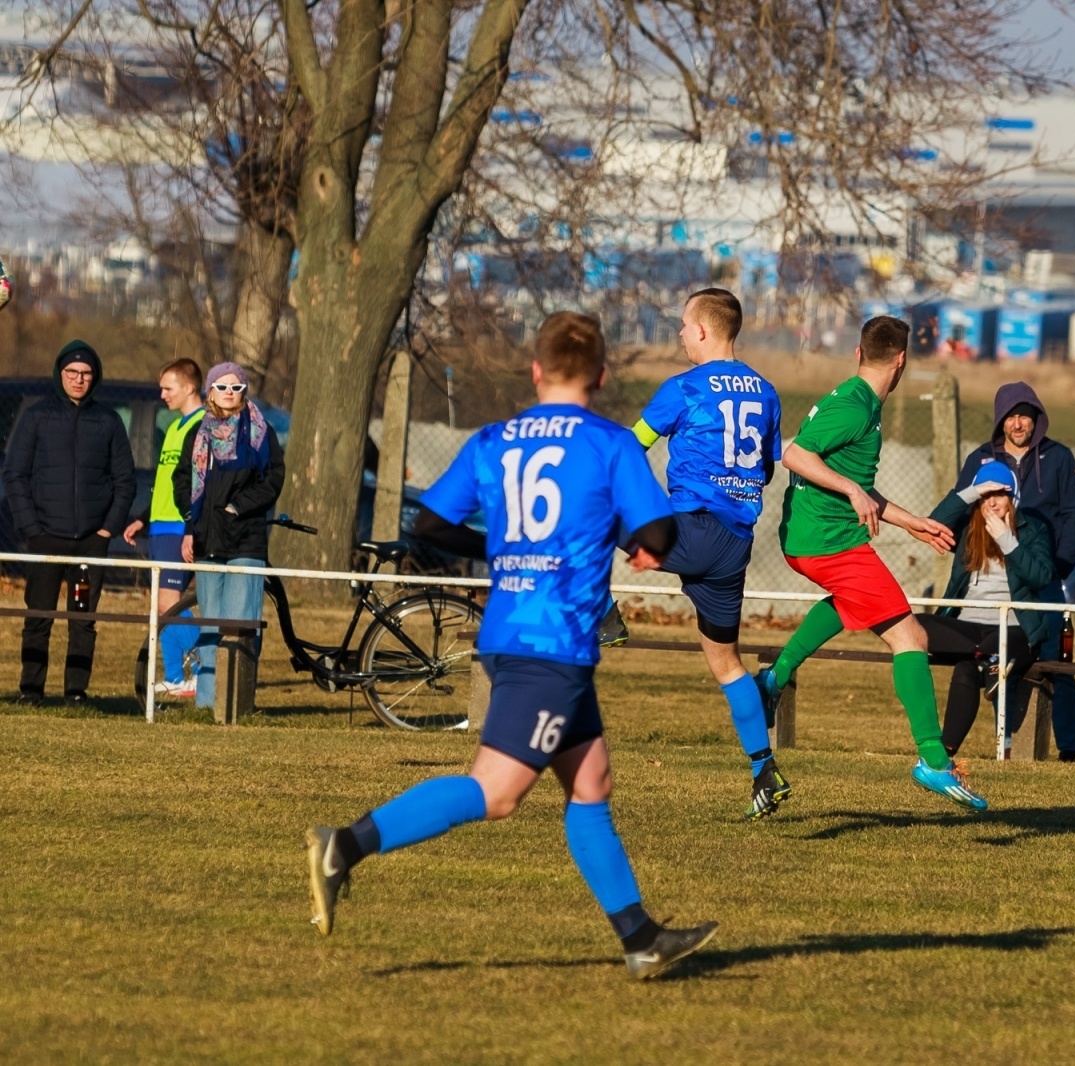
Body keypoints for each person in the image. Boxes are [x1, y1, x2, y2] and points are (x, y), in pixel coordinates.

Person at [303, 312, 718, 979]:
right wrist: (632, 541)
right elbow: (661, 537)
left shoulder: (495, 439)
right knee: (497, 793)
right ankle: (344, 846)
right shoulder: (611, 444)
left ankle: (640, 937)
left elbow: (431, 524)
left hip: (515, 633)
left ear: (536, 371)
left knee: (592, 782)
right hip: (549, 644)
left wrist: (501, 548)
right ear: (602, 376)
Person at [753, 316, 985, 811]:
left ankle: (774, 678)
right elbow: (795, 455)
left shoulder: (859, 403)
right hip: (828, 541)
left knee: (850, 604)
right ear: (902, 361)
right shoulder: (857, 408)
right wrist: (853, 491)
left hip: (818, 539)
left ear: (859, 353)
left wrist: (909, 521)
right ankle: (932, 760)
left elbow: (847, 473)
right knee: (911, 637)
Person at [630, 288, 787, 818]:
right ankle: (763, 770)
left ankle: (601, 612)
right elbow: (766, 468)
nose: (678, 334)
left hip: (695, 529)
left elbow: (631, 449)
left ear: (701, 330)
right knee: (726, 663)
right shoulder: (766, 392)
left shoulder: (684, 388)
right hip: (735, 545)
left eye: (681, 325)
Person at [930, 382, 1075, 760]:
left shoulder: (1059, 457)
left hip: (1041, 577)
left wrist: (1056, 568)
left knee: (1055, 663)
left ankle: (1070, 747)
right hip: (989, 587)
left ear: (1037, 418)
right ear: (1001, 420)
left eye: (1025, 416)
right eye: (1011, 417)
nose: (1018, 424)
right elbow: (949, 517)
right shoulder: (980, 460)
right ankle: (1005, 742)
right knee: (989, 661)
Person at [2, 340, 135, 703]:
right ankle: (31, 691)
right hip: (45, 539)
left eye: (86, 373)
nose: (79, 379)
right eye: (72, 372)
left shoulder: (108, 421)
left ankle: (76, 693)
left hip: (90, 543)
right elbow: (14, 474)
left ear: (95, 378)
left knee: (83, 619)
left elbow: (125, 481)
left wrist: (107, 529)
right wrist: (31, 527)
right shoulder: (36, 417)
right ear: (60, 374)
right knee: (39, 616)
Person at [922, 461, 1057, 758]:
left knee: (967, 668)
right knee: (914, 624)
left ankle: (943, 752)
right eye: (986, 495)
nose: (992, 501)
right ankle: (992, 660)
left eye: (999, 493)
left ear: (1013, 497)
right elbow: (933, 523)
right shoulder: (969, 527)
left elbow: (1042, 576)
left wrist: (1007, 541)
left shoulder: (1032, 529)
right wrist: (971, 491)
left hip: (1012, 625)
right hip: (968, 625)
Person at [171, 363, 285, 711]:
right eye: (222, 387)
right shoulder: (198, 433)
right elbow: (182, 480)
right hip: (208, 542)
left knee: (242, 624)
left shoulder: (262, 432)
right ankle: (207, 704)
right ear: (209, 391)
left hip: (246, 541)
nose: (229, 394)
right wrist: (192, 521)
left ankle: (238, 704)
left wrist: (238, 507)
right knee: (211, 624)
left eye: (236, 387)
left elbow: (273, 479)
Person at [123, 358, 207, 698]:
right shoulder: (174, 427)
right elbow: (165, 481)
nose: (162, 395)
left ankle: (205, 670)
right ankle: (177, 677)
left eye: (167, 388)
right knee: (160, 604)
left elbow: (196, 484)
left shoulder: (202, 426)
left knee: (171, 603)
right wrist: (143, 517)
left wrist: (191, 527)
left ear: (189, 387)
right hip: (160, 526)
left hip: (178, 525)